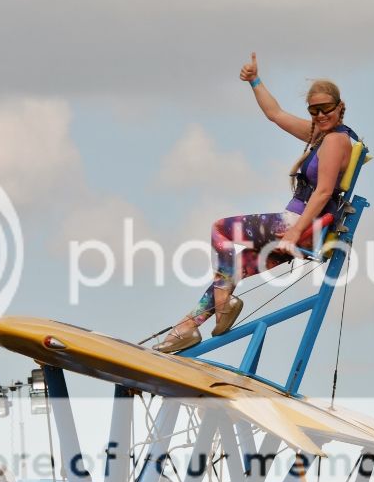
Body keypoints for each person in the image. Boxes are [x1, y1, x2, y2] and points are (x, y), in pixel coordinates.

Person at [153, 53, 359, 353]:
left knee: (220, 229)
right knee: (231, 270)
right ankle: (186, 329)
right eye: (313, 110)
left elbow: (324, 192)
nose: (319, 116)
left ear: (340, 108)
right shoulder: (319, 134)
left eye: (325, 109)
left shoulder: (335, 141)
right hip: (301, 229)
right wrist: (254, 81)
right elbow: (275, 114)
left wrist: (292, 234)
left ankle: (222, 307)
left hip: (293, 226)